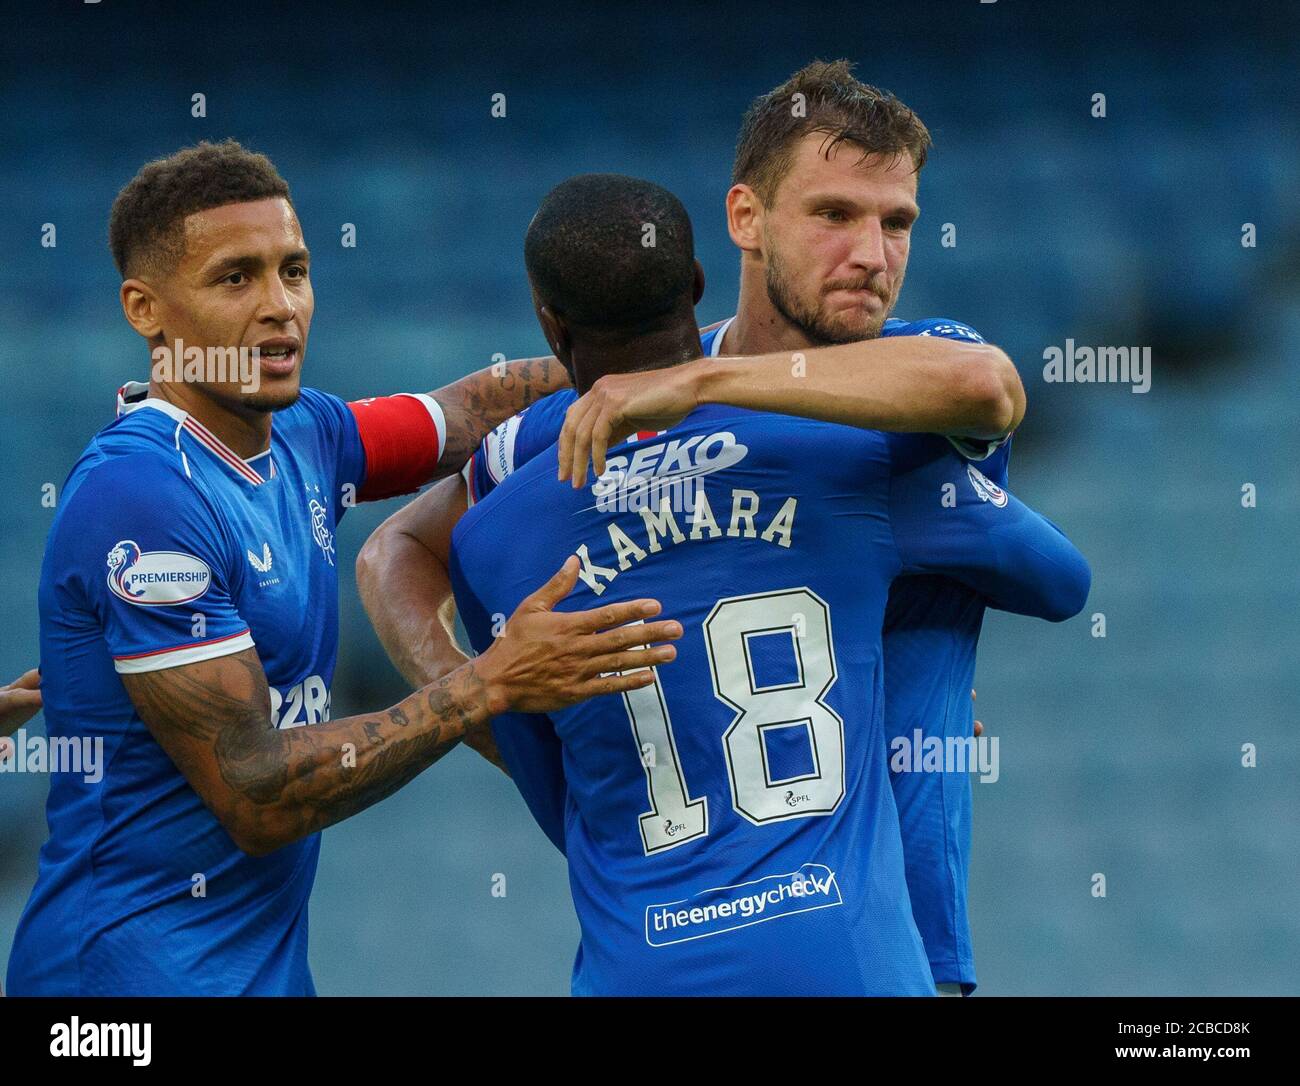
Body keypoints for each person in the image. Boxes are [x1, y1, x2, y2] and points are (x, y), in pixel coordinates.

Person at [359, 61, 1042, 993]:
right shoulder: (598, 411)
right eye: (835, 214)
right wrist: (479, 697)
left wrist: (705, 383)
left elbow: (993, 391)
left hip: (909, 938)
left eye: (898, 223)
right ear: (745, 219)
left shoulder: (923, 381)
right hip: (692, 929)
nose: (874, 255)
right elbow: (397, 547)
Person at [5, 141, 680, 997]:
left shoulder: (304, 436)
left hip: (260, 976)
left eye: (295, 269)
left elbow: (471, 408)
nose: (279, 306)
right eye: (235, 278)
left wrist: (685, 366)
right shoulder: (141, 495)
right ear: (146, 308)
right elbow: (256, 794)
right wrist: (486, 686)